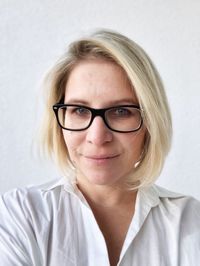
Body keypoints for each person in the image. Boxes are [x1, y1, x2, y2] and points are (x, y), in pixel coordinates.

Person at [0, 29, 200, 266]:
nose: (97, 137)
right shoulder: (22, 214)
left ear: (150, 122)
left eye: (121, 111)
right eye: (80, 110)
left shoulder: (190, 222)